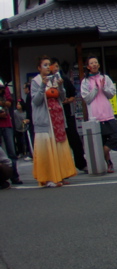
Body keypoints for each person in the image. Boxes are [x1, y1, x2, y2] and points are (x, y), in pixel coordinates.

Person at [31, 56, 77, 187]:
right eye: (44, 65)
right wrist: (42, 86)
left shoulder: (54, 79)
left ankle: (60, 175)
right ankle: (49, 177)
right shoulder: (36, 81)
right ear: (39, 68)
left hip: (57, 117)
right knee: (47, 148)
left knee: (58, 145)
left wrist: (61, 86)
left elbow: (62, 97)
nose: (47, 67)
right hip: (45, 119)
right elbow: (36, 101)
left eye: (48, 64)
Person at [80, 56, 117, 172]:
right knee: (101, 140)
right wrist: (95, 89)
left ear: (98, 65)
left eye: (96, 63)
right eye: (91, 63)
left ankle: (101, 153)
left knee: (115, 136)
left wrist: (103, 88)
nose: (94, 65)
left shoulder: (105, 78)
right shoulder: (85, 81)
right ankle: (108, 163)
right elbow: (86, 98)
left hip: (108, 114)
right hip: (95, 116)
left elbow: (112, 94)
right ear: (88, 67)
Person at [49, 59, 87, 173]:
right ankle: (60, 167)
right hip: (53, 114)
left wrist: (67, 100)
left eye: (56, 66)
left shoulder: (64, 79)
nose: (55, 68)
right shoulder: (46, 82)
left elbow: (73, 95)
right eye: (52, 66)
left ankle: (81, 163)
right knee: (58, 142)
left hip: (67, 113)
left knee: (74, 140)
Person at [0, 78, 22, 185]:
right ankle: (2, 178)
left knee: (12, 151)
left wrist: (3, 103)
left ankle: (14, 176)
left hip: (6, 122)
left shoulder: (4, 87)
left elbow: (9, 102)